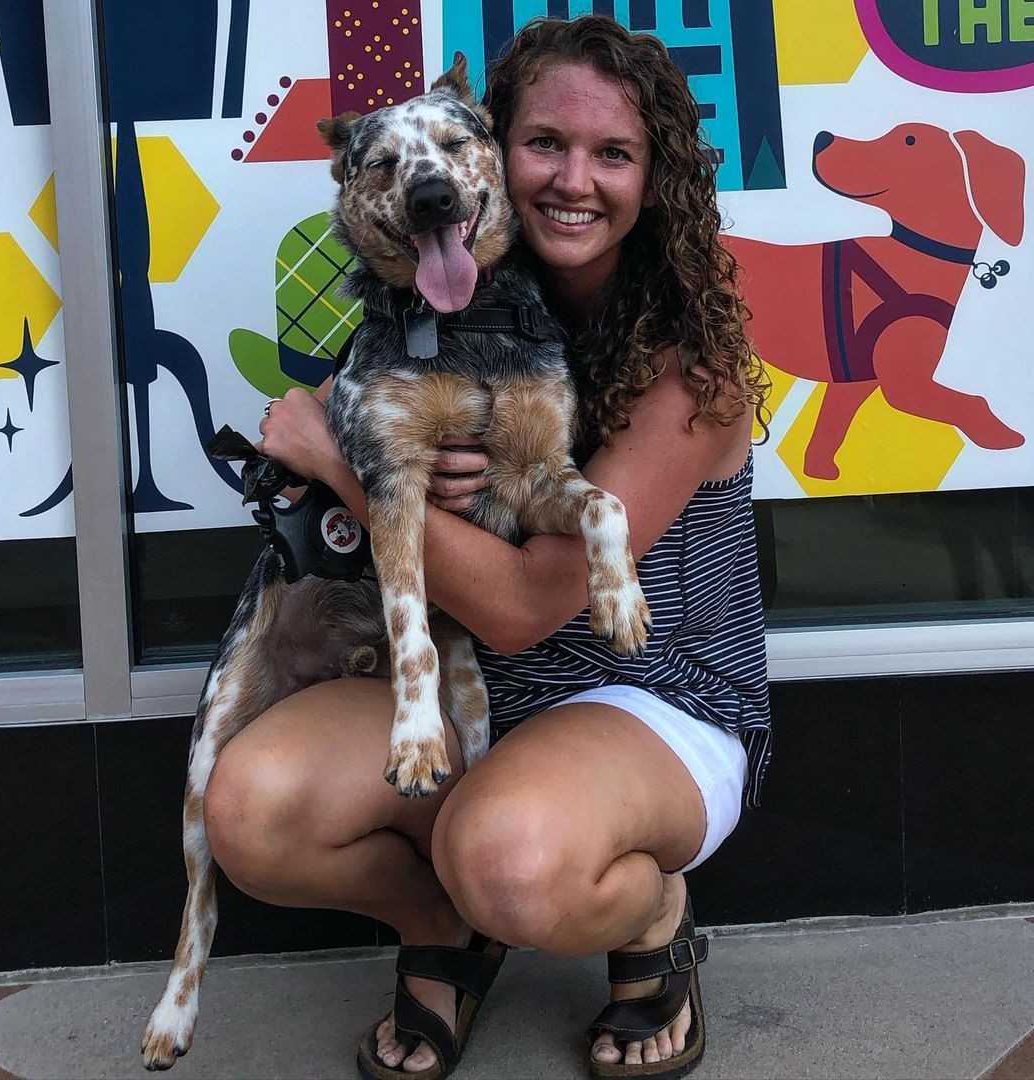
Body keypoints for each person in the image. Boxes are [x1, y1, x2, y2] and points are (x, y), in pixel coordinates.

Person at [207, 14, 771, 1080]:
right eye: (543, 143)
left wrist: (348, 468)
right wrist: (372, 454)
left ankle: (651, 913)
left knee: (506, 858)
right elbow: (331, 425)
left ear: (655, 179)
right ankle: (445, 926)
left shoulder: (689, 369)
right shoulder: (432, 299)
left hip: (646, 694)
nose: (573, 179)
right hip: (471, 683)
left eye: (614, 154)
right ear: (483, 152)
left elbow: (520, 604)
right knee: (252, 808)